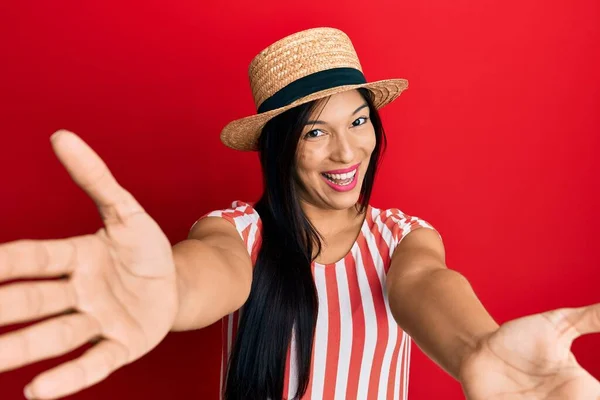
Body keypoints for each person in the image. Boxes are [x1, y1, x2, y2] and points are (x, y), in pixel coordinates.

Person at [0, 27, 598, 400]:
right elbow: (212, 269)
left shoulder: (403, 239)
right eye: (316, 131)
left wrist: (476, 349)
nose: (346, 152)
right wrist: (170, 292)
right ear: (279, 145)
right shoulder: (238, 231)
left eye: (359, 121)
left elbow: (424, 284)